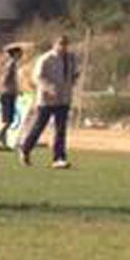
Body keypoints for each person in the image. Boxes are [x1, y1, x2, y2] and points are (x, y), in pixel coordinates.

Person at [19, 34, 77, 169]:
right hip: (47, 100)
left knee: (61, 129)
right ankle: (25, 148)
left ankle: (59, 158)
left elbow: (74, 74)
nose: (63, 47)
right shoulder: (45, 59)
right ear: (54, 44)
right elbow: (36, 77)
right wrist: (47, 88)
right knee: (39, 126)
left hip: (64, 98)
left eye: (65, 44)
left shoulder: (70, 58)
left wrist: (71, 83)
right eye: (60, 44)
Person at [0, 43, 24, 151]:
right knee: (8, 120)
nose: (21, 55)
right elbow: (6, 79)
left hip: (8, 94)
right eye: (19, 53)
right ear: (15, 53)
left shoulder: (12, 64)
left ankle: (3, 143)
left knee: (6, 119)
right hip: (7, 94)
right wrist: (11, 89)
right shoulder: (11, 64)